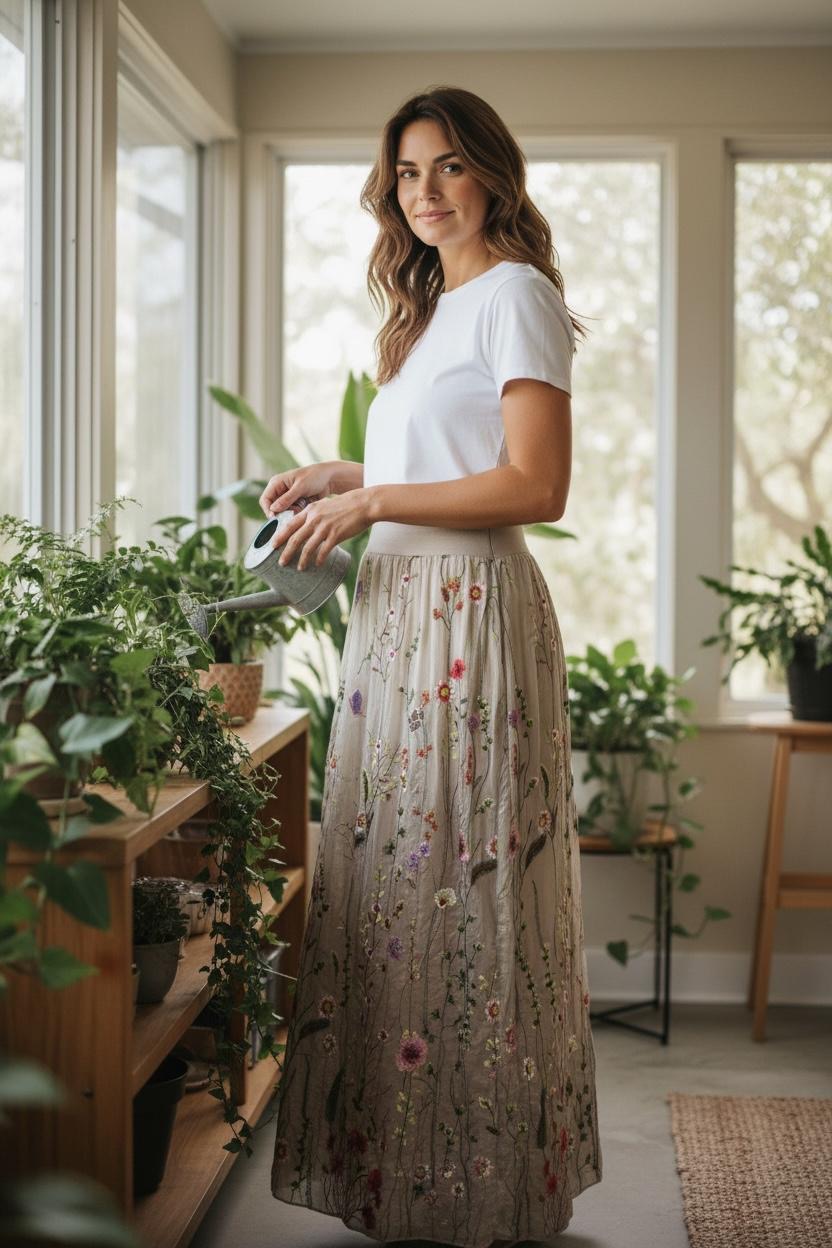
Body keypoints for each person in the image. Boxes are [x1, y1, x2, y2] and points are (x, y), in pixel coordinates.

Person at [265, 84, 603, 1248]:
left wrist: (371, 499)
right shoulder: (427, 317)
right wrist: (336, 472)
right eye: (408, 173)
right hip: (398, 623)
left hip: (468, 622)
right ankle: (410, 1173)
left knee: (466, 892)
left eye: (449, 167)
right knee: (400, 900)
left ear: (493, 176)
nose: (425, 192)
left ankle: (482, 1185)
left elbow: (535, 487)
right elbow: (443, 457)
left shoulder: (515, 294)